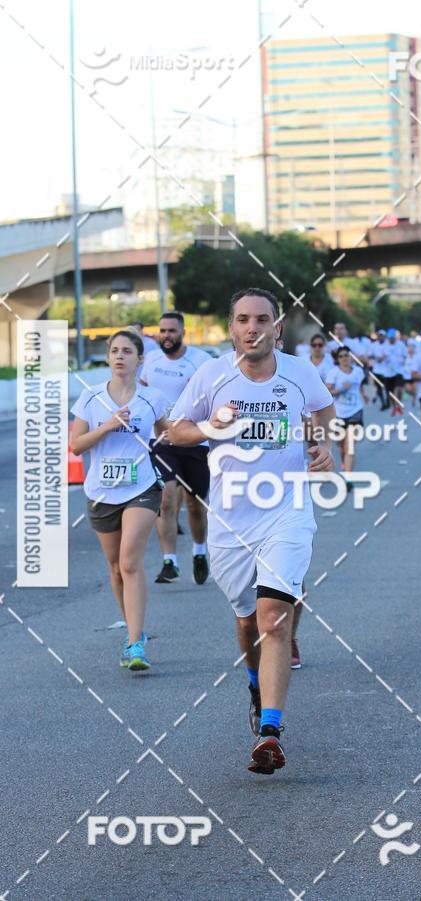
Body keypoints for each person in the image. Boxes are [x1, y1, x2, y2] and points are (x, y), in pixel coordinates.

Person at [168, 287, 335, 775]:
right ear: (231, 327)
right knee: (246, 622)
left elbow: (323, 411)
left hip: (286, 509)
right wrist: (210, 428)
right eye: (243, 319)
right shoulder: (211, 375)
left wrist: (323, 443)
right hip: (230, 519)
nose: (253, 327)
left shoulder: (300, 372)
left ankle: (270, 731)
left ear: (276, 328)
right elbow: (174, 429)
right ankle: (253, 680)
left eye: (262, 319)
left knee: (273, 620)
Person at [70, 330, 169, 671]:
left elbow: (167, 431)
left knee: (129, 562)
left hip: (141, 488)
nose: (119, 356)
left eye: (127, 351)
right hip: (102, 492)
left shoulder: (151, 398)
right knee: (115, 569)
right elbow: (77, 445)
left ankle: (136, 642)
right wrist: (108, 426)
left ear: (139, 358)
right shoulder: (90, 398)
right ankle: (133, 633)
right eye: (114, 350)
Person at [140, 311, 212, 585]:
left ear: (182, 332)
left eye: (171, 331)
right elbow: (144, 390)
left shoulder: (201, 362)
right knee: (166, 500)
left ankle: (199, 551)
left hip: (194, 441)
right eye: (162, 331)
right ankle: (169, 562)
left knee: (195, 506)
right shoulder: (152, 360)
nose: (166, 336)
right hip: (161, 441)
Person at [326, 345, 367, 487]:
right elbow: (327, 392)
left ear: (351, 357)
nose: (344, 358)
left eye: (347, 355)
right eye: (341, 356)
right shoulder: (333, 373)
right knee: (342, 446)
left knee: (350, 445)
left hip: (356, 411)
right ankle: (345, 465)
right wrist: (341, 389)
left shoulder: (358, 371)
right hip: (338, 414)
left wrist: (364, 395)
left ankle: (348, 478)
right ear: (337, 359)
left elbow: (359, 386)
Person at [369, 329, 391, 409]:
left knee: (387, 387)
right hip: (376, 370)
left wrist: (382, 358)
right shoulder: (373, 345)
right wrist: (375, 357)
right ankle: (383, 402)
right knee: (378, 387)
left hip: (386, 371)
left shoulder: (388, 345)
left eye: (382, 335)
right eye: (379, 335)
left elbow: (388, 355)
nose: (380, 337)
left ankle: (388, 401)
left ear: (384, 336)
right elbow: (369, 355)